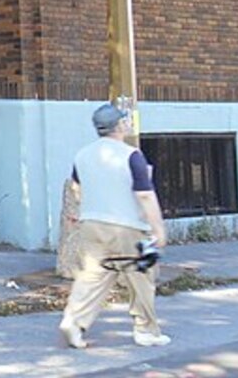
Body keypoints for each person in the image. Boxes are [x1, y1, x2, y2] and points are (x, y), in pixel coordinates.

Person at [58, 102, 169, 349]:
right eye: (124, 119)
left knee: (92, 275)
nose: (127, 122)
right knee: (141, 276)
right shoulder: (132, 155)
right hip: (127, 226)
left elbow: (76, 188)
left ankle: (73, 321)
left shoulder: (83, 154)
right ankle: (146, 330)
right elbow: (145, 195)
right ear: (118, 125)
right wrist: (158, 228)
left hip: (91, 224)